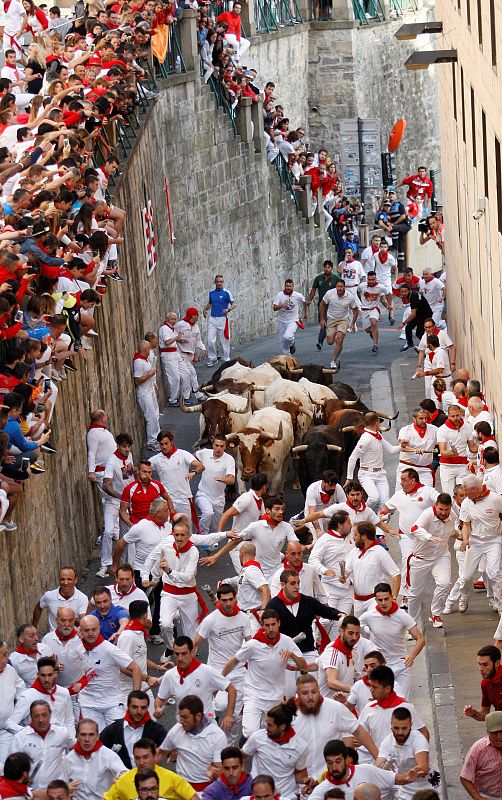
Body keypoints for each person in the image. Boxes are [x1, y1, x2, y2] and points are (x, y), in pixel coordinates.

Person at [222, 608, 307, 737]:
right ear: (262, 626)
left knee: (273, 733)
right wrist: (219, 682)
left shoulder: (287, 641)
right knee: (250, 732)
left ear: (279, 623)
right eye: (267, 625)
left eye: (273, 624)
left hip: (276, 697)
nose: (271, 629)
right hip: (254, 695)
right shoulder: (252, 645)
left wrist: (292, 655)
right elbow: (233, 661)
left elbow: (303, 667)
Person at [294, 673, 378, 776]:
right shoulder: (289, 714)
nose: (310, 697)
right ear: (298, 693)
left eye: (314, 692)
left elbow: (359, 731)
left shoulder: (335, 708)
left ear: (319, 690)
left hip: (331, 778)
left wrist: (378, 758)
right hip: (300, 782)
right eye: (305, 693)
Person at [193, 584, 250, 726]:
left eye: (231, 599)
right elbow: (194, 644)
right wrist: (193, 669)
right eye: (224, 600)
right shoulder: (210, 620)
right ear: (219, 600)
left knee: (235, 717)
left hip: (238, 671)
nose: (228, 603)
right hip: (217, 671)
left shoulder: (244, 618)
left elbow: (250, 644)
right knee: (221, 706)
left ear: (236, 598)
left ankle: (228, 746)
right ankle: (211, 713)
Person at [267, 569, 342, 672]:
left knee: (313, 686)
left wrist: (341, 615)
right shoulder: (273, 605)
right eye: (293, 583)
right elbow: (268, 629)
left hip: (308, 653)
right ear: (283, 585)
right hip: (285, 654)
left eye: (298, 582)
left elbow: (327, 611)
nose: (297, 587)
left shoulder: (308, 602)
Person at [154, 635, 235, 728]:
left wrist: (228, 715)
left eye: (184, 653)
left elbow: (231, 689)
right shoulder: (170, 675)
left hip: (206, 727)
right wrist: (158, 708)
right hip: (183, 728)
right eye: (177, 654)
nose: (180, 658)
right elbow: (160, 698)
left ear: (192, 652)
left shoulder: (207, 671)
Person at [77, 615, 142, 731]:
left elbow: (135, 669)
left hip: (112, 703)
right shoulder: (78, 649)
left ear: (99, 628)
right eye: (86, 630)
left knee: (119, 741)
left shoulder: (109, 649)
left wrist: (135, 697)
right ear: (80, 631)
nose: (90, 633)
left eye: (94, 629)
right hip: (88, 703)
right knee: (95, 741)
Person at [359, 584, 425, 698]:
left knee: (402, 702)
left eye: (386, 599)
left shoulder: (402, 616)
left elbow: (420, 638)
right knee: (380, 700)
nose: (384, 602)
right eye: (380, 600)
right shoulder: (369, 616)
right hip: (380, 666)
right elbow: (353, 627)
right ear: (376, 600)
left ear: (392, 597)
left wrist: (412, 656)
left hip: (400, 664)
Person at [306, 739, 422, 800]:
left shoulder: (366, 770)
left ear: (346, 758)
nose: (334, 767)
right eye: (330, 763)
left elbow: (395, 779)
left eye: (338, 761)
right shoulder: (321, 791)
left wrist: (408, 777)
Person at [242, 699, 309, 800]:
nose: (266, 727)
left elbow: (300, 773)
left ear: (282, 727)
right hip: (261, 796)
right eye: (266, 723)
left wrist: (307, 781)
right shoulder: (257, 737)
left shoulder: (301, 746)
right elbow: (241, 756)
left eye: (270, 725)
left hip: (288, 796)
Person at [158, 695, 227, 793]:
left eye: (185, 717)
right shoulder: (177, 730)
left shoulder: (217, 736)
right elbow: (160, 753)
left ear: (198, 716)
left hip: (207, 791)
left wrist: (215, 774)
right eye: (180, 716)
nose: (181, 721)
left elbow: (220, 770)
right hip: (180, 788)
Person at [358, 666, 429, 760]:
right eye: (370, 686)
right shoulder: (368, 708)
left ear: (387, 688)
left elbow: (423, 733)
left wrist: (420, 758)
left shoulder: (406, 707)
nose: (371, 690)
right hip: (379, 766)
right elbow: (359, 735)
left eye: (374, 687)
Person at [204, 473, 269, 574]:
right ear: (264, 487)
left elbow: (264, 519)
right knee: (246, 576)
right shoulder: (246, 499)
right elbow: (226, 515)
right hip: (237, 545)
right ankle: (224, 584)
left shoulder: (259, 500)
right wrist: (219, 535)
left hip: (252, 543)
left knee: (256, 575)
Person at [406, 494, 455, 628]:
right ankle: (411, 625)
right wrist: (429, 537)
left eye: (447, 509)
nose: (444, 513)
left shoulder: (452, 516)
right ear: (435, 506)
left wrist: (463, 538)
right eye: (441, 509)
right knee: (415, 594)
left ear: (450, 507)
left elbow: (453, 531)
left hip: (441, 556)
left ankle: (436, 614)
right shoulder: (427, 514)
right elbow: (414, 529)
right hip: (420, 559)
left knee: (444, 584)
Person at [458, 475, 502, 614]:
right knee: (466, 576)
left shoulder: (496, 499)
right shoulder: (466, 502)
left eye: (467, 492)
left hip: (494, 540)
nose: (464, 495)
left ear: (476, 489)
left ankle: (500, 604)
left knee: (494, 572)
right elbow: (465, 524)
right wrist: (465, 540)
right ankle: (464, 596)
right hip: (475, 542)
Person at [104, 737, 199, 800]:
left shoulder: (172, 778)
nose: (141, 762)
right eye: (137, 758)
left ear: (155, 756)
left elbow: (194, 798)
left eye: (145, 757)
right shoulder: (123, 780)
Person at [8, 700, 73, 790]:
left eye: (44, 715)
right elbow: (12, 769)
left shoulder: (62, 733)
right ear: (31, 717)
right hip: (31, 793)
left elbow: (75, 748)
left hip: (56, 792)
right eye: (36, 716)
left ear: (50, 715)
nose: (41, 720)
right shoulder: (20, 738)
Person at [375, 707, 436, 800]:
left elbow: (423, 767)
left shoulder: (419, 739)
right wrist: (385, 768)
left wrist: (401, 777)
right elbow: (378, 766)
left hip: (429, 788)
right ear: (390, 725)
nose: (400, 732)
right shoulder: (387, 742)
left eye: (404, 728)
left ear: (411, 726)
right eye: (396, 728)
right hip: (405, 790)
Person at [149, 430, 204, 531]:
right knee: (166, 529)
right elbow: (143, 469)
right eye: (161, 444)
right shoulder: (156, 459)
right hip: (166, 501)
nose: (164, 447)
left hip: (184, 498)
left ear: (171, 442)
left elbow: (200, 466)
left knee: (187, 529)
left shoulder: (183, 454)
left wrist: (194, 472)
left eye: (166, 443)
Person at [346, 412, 401, 511]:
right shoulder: (365, 439)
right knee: (374, 498)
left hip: (380, 474)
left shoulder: (377, 434)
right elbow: (352, 458)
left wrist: (402, 445)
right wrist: (349, 478)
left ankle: (379, 524)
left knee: (385, 502)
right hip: (367, 474)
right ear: (377, 422)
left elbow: (392, 450)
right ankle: (360, 512)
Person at [344, 522, 401, 616]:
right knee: (361, 629)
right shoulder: (354, 551)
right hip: (358, 601)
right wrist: (344, 576)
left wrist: (393, 598)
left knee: (374, 628)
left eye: (355, 535)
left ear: (364, 536)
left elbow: (396, 574)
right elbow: (347, 570)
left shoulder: (380, 552)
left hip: (374, 601)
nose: (353, 538)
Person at [7, 656, 74, 735]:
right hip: (37, 743)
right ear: (38, 675)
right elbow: (10, 723)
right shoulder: (28, 696)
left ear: (55, 674)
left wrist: (71, 740)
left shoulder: (64, 693)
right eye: (43, 675)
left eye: (50, 675)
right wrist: (28, 734)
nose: (46, 679)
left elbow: (69, 721)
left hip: (60, 744)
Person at [62, 718, 127, 800]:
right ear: (77, 736)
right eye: (83, 735)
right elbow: (61, 785)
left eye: (91, 735)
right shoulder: (69, 759)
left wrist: (121, 777)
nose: (87, 739)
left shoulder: (109, 756)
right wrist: (65, 790)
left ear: (97, 736)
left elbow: (124, 773)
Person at [307, 509, 355, 620]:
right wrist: (324, 570)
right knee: (325, 621)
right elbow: (312, 560)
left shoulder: (352, 537)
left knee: (341, 621)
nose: (351, 525)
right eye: (348, 523)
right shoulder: (324, 540)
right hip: (330, 588)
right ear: (340, 525)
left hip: (348, 588)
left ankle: (334, 639)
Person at [99, 433, 135, 578]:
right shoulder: (112, 461)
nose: (127, 449)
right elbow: (106, 484)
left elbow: (130, 476)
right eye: (124, 446)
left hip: (128, 502)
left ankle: (121, 563)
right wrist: (120, 496)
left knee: (126, 534)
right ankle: (105, 564)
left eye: (128, 447)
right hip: (113, 502)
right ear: (118, 446)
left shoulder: (129, 456)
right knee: (108, 531)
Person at [100, 691, 167, 769]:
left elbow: (169, 751)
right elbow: (99, 754)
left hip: (148, 777)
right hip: (121, 778)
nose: (139, 711)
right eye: (135, 707)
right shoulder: (113, 729)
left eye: (143, 708)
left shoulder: (157, 730)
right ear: (128, 706)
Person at [116, 603, 165, 706]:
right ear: (145, 616)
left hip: (144, 686)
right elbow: (122, 667)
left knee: (152, 720)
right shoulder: (128, 636)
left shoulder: (138, 632)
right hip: (129, 690)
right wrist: (147, 678)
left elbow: (138, 657)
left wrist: (158, 667)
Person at [318, 615, 371, 699]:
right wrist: (354, 689)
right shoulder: (332, 653)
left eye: (357, 634)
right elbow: (331, 682)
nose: (354, 638)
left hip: (343, 704)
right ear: (341, 632)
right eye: (350, 633)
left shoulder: (353, 653)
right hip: (327, 705)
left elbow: (351, 675)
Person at [195, 435, 235, 535]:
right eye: (216, 445)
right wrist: (195, 467)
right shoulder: (204, 453)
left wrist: (223, 479)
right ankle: (202, 535)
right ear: (213, 445)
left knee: (216, 526)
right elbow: (192, 457)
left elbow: (232, 480)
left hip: (219, 498)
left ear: (225, 447)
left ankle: (212, 543)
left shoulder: (229, 460)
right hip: (203, 494)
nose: (219, 449)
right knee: (208, 513)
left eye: (222, 446)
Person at [460, 711, 502, 800]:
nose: (499, 737)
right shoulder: (478, 750)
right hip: (486, 796)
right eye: (494, 733)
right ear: (487, 732)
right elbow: (465, 777)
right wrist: (477, 797)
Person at [436, 405, 477, 496]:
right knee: (448, 495)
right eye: (452, 416)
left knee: (463, 494)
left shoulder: (466, 427)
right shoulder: (442, 430)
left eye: (457, 415)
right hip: (447, 466)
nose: (455, 418)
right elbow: (442, 452)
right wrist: (451, 453)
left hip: (462, 465)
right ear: (448, 416)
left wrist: (484, 447)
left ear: (460, 415)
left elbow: (472, 447)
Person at [33, 566, 89, 631]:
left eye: (69, 579)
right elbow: (38, 608)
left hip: (75, 639)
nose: (65, 583)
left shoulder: (82, 598)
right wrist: (34, 627)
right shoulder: (49, 596)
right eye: (62, 579)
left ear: (75, 580)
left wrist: (66, 618)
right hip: (54, 639)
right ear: (59, 580)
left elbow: (82, 623)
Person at [119, 461, 173, 529]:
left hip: (155, 525)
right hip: (138, 526)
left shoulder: (157, 485)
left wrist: (172, 515)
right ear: (138, 471)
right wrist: (131, 525)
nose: (147, 475)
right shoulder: (129, 489)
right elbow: (122, 510)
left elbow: (168, 499)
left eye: (149, 472)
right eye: (144, 472)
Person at [319, 277, 358, 370]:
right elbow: (322, 304)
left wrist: (352, 324)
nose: (339, 288)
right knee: (330, 342)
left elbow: (356, 310)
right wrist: (322, 319)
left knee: (339, 340)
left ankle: (333, 361)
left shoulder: (349, 296)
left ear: (344, 287)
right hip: (331, 318)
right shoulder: (330, 294)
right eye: (338, 286)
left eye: (341, 287)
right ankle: (335, 334)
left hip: (343, 319)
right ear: (336, 287)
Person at [395, 409, 438, 488]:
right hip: (406, 467)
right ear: (414, 418)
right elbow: (401, 447)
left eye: (426, 418)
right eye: (421, 418)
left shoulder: (434, 429)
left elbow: (442, 442)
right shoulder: (406, 430)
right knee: (402, 495)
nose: (424, 421)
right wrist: (414, 450)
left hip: (425, 469)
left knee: (427, 496)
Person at [175, 308, 207, 406]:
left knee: (191, 374)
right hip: (180, 353)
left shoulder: (196, 327)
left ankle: (196, 394)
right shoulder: (180, 325)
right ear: (192, 316)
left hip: (189, 354)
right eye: (197, 314)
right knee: (189, 374)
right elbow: (173, 337)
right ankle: (187, 397)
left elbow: (198, 340)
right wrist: (180, 340)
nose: (198, 316)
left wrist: (203, 349)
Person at [203, 275, 235, 367]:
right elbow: (210, 303)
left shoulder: (226, 293)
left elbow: (234, 304)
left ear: (223, 282)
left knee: (225, 339)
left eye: (221, 282)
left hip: (223, 319)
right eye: (217, 282)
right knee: (210, 341)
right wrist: (205, 309)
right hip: (212, 319)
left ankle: (226, 357)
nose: (219, 283)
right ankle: (213, 359)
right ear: (215, 282)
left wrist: (228, 310)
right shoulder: (211, 292)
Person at [133, 341, 160, 451]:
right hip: (144, 394)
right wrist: (149, 375)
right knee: (151, 417)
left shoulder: (144, 360)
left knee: (155, 415)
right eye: (149, 349)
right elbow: (137, 380)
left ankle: (157, 437)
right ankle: (151, 442)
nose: (150, 351)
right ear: (145, 350)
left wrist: (153, 382)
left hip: (149, 391)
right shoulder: (139, 362)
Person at [463, 646, 502, 722]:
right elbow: (484, 714)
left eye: (485, 665)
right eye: (479, 664)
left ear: (497, 663)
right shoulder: (485, 683)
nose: (480, 669)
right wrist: (473, 714)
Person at [306, 260, 337, 350]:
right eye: (325, 267)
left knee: (325, 322)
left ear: (331, 268)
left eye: (328, 267)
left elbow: (340, 290)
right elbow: (313, 290)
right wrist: (309, 300)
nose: (327, 269)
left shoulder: (336, 278)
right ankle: (327, 336)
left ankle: (320, 342)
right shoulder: (318, 278)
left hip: (332, 304)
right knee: (322, 322)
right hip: (321, 304)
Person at [303, 470, 346, 536]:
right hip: (314, 515)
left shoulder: (338, 487)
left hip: (330, 514)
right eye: (330, 485)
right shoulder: (312, 489)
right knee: (319, 536)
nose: (333, 488)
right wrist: (318, 530)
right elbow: (312, 513)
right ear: (323, 482)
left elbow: (345, 507)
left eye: (334, 485)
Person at [357, 272, 391, 354]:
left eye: (373, 279)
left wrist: (389, 305)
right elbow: (358, 292)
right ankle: (372, 333)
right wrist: (361, 300)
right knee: (368, 330)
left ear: (376, 279)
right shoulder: (362, 286)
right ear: (367, 279)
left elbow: (388, 294)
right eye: (369, 279)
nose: (371, 281)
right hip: (365, 309)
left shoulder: (380, 287)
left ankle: (375, 344)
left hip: (374, 308)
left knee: (373, 322)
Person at [272, 279, 306, 356]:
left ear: (293, 286)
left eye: (290, 286)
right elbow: (274, 308)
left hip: (293, 321)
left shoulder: (297, 295)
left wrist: (305, 313)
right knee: (283, 342)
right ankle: (288, 358)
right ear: (285, 286)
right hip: (282, 321)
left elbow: (304, 302)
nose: (288, 288)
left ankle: (292, 343)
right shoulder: (280, 295)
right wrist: (282, 305)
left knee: (288, 336)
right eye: (287, 286)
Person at [158, 312, 183, 408]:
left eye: (175, 319)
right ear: (167, 319)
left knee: (185, 373)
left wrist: (180, 339)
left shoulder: (171, 329)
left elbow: (173, 339)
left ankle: (183, 396)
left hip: (175, 353)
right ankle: (173, 399)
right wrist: (177, 337)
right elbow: (167, 342)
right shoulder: (164, 328)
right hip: (168, 354)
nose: (174, 321)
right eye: (172, 319)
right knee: (175, 377)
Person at [397, 285, 433, 352]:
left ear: (409, 291)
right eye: (402, 292)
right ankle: (410, 344)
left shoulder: (413, 297)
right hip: (419, 313)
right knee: (408, 328)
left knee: (419, 333)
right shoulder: (412, 294)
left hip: (425, 315)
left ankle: (430, 347)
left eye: (405, 291)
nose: (403, 293)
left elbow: (413, 314)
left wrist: (403, 323)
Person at [368, 242, 396, 324]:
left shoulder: (390, 257)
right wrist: (373, 275)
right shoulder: (376, 255)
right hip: (378, 279)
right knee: (382, 299)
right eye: (382, 246)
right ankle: (389, 309)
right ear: (379, 247)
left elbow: (395, 268)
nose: (383, 248)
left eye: (385, 247)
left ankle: (392, 316)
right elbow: (374, 265)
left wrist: (396, 278)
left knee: (389, 297)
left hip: (386, 279)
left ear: (387, 248)